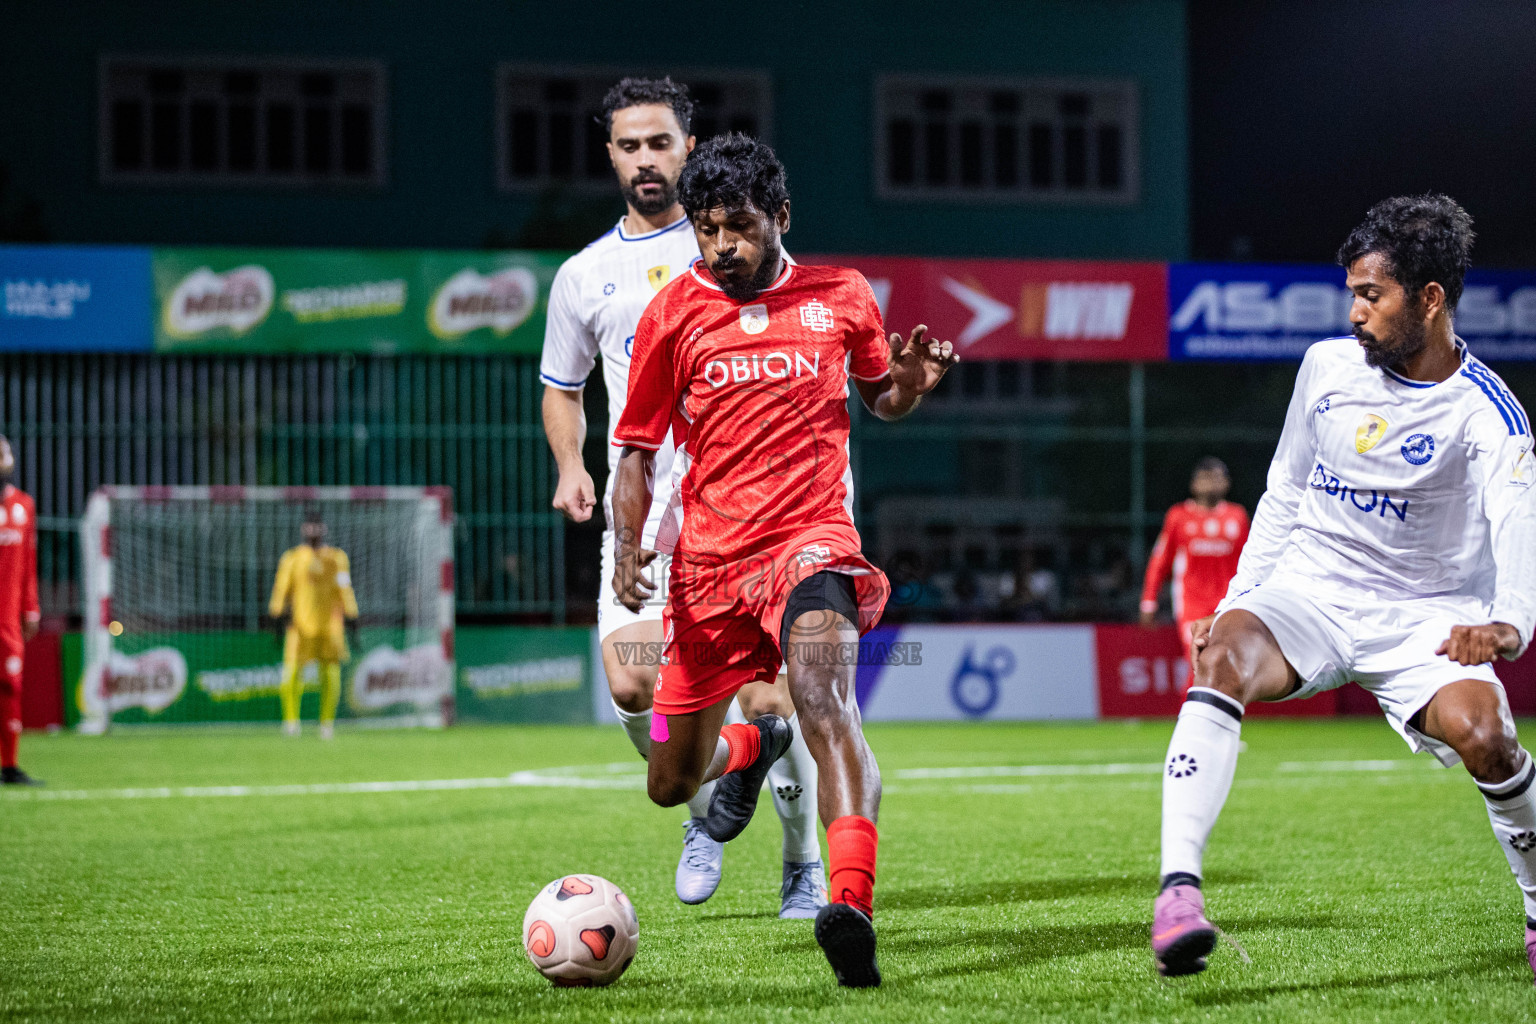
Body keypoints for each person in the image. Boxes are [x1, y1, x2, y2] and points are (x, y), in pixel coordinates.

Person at [1151, 194, 1536, 981]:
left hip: (1425, 618)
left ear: (1430, 299)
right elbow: (1286, 490)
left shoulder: (1487, 414)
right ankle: (1178, 895)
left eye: (1372, 295)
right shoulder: (1326, 368)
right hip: (1310, 593)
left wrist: (1509, 623)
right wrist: (1235, 602)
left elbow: (1517, 521)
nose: (1354, 312)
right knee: (1221, 658)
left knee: (1488, 737)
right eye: (1352, 293)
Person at [611, 133, 956, 986]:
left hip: (811, 543)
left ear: (781, 217)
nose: (721, 245)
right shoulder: (671, 314)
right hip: (706, 571)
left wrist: (911, 386)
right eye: (706, 229)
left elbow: (881, 396)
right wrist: (626, 546)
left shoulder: (843, 295)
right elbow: (636, 450)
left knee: (825, 700)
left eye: (738, 225)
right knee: (668, 778)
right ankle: (749, 743)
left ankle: (849, 904)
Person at [539, 77, 825, 917]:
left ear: (687, 148)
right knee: (635, 690)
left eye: (660, 142)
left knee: (771, 700)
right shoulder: (584, 275)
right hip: (643, 519)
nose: (645, 159)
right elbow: (562, 386)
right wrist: (570, 464)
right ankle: (706, 813)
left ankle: (802, 861)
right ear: (610, 155)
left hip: (746, 519)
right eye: (629, 145)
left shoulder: (736, 246)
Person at [1139, 458, 1249, 666]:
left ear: (1227, 483)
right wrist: (1149, 600)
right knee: (1199, 660)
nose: (1211, 483)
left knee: (1226, 665)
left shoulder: (1237, 516)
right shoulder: (1178, 516)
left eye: (1216, 478)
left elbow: (1251, 562)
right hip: (1192, 605)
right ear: (1194, 484)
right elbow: (1159, 562)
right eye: (1205, 478)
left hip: (1228, 602)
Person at [268, 517, 358, 740]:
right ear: (303, 529)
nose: (313, 530)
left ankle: (326, 723)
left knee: (330, 675)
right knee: (291, 674)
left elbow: (344, 588)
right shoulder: (292, 558)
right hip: (299, 627)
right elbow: (282, 588)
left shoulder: (336, 558)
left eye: (317, 525)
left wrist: (352, 614)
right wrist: (277, 613)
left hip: (330, 627)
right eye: (310, 525)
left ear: (324, 529)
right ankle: (291, 722)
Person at [0, 436, 41, 785]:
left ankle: (10, 766)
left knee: (11, 686)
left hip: (8, 620)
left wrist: (31, 607)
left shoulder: (24, 506)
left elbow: (29, 561)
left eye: (5, 452)